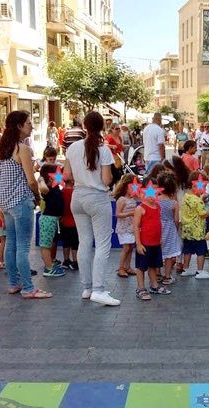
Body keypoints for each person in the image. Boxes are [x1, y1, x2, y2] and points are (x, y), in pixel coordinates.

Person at [64, 111, 119, 306]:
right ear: (101, 126)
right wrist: (110, 179)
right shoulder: (103, 150)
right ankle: (98, 289)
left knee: (84, 242)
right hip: (97, 198)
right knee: (103, 244)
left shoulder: (72, 148)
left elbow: (66, 175)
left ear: (84, 126)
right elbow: (106, 180)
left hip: (77, 197)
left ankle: (87, 287)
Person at [0, 111, 51, 299]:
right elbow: (31, 180)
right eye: (29, 123)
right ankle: (28, 287)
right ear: (19, 126)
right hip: (21, 201)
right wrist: (37, 197)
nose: (32, 126)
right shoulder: (22, 148)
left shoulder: (4, 148)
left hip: (6, 201)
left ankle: (14, 283)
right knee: (22, 247)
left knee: (11, 244)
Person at [133, 177, 171, 300]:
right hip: (145, 243)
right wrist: (138, 244)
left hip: (155, 243)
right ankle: (140, 287)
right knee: (141, 267)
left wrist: (159, 239)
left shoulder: (157, 207)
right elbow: (136, 226)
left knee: (153, 265)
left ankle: (154, 285)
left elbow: (158, 223)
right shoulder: (140, 208)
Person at [180, 171, 209, 279]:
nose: (203, 190)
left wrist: (201, 199)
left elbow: (192, 208)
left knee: (187, 250)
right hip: (198, 230)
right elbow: (203, 214)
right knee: (201, 251)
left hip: (187, 229)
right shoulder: (197, 201)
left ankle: (186, 268)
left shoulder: (186, 197)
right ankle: (200, 271)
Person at [37, 163, 66, 277]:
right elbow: (43, 188)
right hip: (48, 218)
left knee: (47, 244)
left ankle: (49, 264)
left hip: (52, 219)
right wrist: (40, 180)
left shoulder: (55, 188)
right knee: (46, 245)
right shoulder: (48, 189)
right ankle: (49, 268)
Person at [157, 172, 181, 285]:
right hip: (170, 229)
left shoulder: (155, 200)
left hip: (157, 228)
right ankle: (167, 276)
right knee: (168, 255)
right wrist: (175, 228)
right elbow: (176, 219)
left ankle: (157, 274)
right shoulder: (174, 203)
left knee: (158, 252)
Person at [114, 173, 138, 278]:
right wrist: (130, 214)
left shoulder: (132, 199)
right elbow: (118, 214)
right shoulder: (122, 200)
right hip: (124, 227)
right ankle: (121, 267)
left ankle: (127, 266)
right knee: (126, 248)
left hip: (131, 227)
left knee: (130, 247)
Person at [59, 177, 79, 271]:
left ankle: (66, 260)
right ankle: (75, 261)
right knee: (75, 243)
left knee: (65, 242)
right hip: (75, 221)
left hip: (64, 220)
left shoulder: (61, 192)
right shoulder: (75, 193)